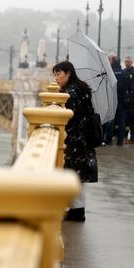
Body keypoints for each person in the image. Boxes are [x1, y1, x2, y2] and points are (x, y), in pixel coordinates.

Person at [53, 61, 98, 222]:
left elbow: (70, 117)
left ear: (68, 73)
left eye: (59, 74)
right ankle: (77, 209)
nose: (56, 78)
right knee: (78, 175)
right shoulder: (82, 88)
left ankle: (76, 212)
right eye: (55, 74)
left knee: (72, 173)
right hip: (84, 138)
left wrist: (60, 100)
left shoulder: (71, 93)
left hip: (74, 139)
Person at [104, 53, 123, 145]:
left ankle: (109, 140)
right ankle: (120, 141)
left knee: (110, 120)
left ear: (112, 61)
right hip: (121, 101)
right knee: (121, 121)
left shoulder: (109, 72)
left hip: (111, 99)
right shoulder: (123, 72)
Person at [118, 56, 134, 144]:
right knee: (125, 121)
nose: (127, 63)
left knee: (132, 121)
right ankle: (124, 137)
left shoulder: (133, 72)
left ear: (131, 62)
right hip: (125, 101)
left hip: (132, 101)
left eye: (129, 62)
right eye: (126, 62)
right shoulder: (123, 72)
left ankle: (132, 138)